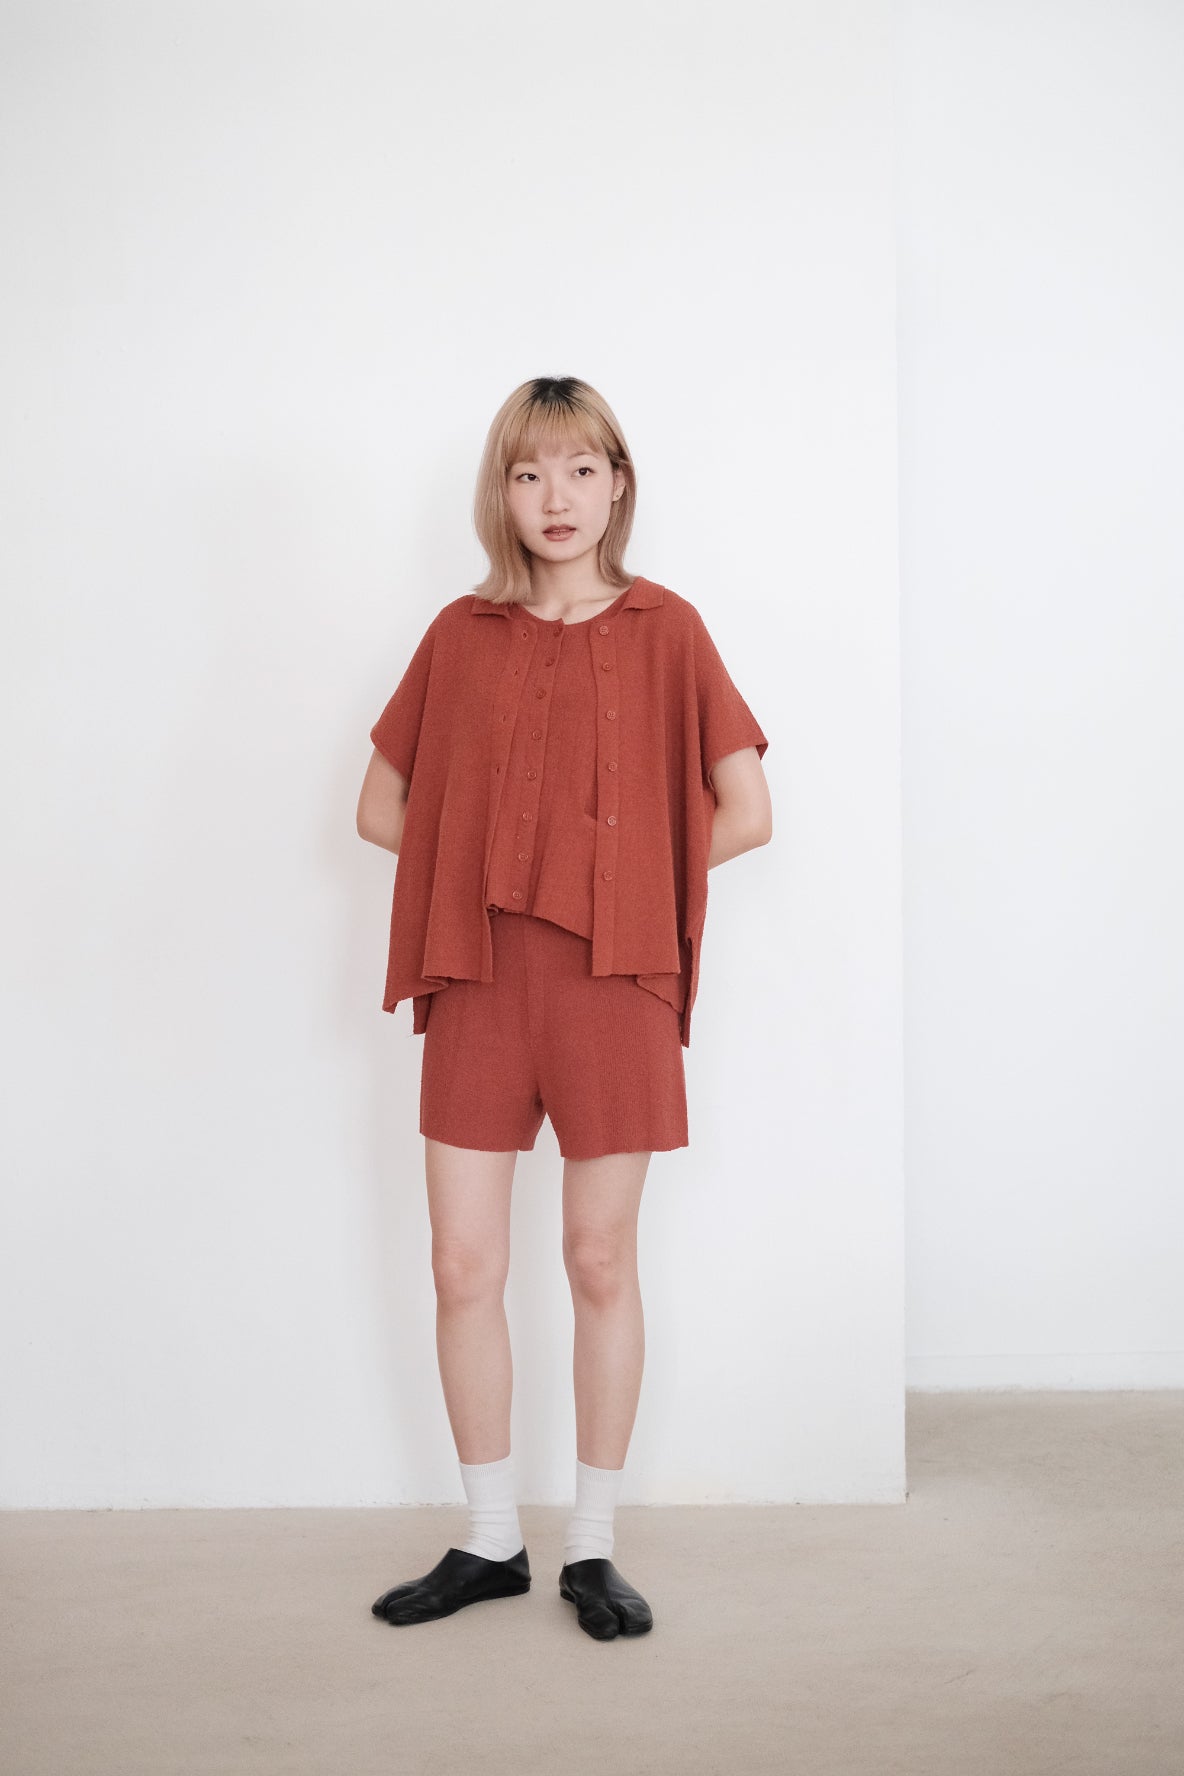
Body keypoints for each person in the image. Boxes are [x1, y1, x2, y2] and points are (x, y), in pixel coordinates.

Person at [357, 376, 771, 1640]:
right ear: (502, 490)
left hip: (612, 984)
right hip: (479, 978)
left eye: (582, 469)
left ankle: (591, 1546)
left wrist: (622, 882)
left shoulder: (667, 629)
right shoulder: (460, 634)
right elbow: (380, 808)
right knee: (461, 1263)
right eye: (530, 471)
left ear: (617, 484)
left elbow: (746, 810)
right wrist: (479, 869)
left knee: (597, 1259)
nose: (557, 497)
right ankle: (489, 1538)